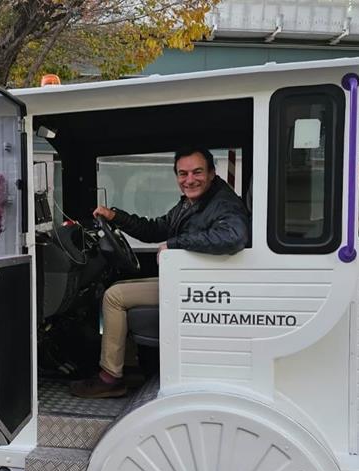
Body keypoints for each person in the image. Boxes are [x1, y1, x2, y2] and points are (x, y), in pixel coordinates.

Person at [70, 147, 250, 398]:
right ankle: (130, 366)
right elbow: (156, 229)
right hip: (188, 280)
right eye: (183, 174)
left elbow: (234, 236)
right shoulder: (192, 203)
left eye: (197, 172)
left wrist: (176, 244)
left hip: (200, 287)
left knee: (114, 296)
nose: (189, 180)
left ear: (211, 173)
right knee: (122, 285)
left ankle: (110, 378)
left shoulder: (223, 203)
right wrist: (116, 216)